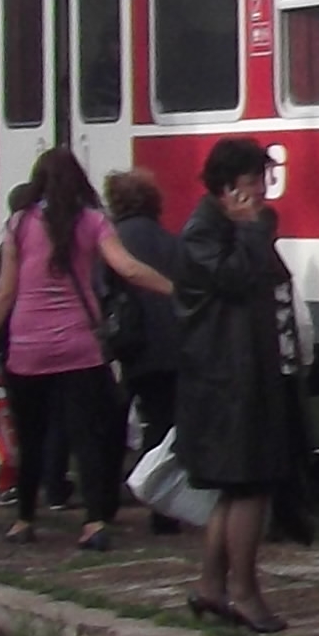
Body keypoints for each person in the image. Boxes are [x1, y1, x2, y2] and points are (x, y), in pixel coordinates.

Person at [0, 144, 175, 552]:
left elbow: (5, 292)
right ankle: (94, 522)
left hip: (28, 348)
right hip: (79, 348)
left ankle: (24, 519)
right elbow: (128, 268)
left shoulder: (18, 224)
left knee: (30, 436)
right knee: (87, 436)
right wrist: (176, 290)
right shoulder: (93, 222)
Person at [173, 136, 307, 634]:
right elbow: (235, 280)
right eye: (255, 181)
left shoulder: (224, 229)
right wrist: (253, 229)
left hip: (241, 374)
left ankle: (212, 587)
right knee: (249, 487)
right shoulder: (204, 235)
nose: (264, 191)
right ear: (229, 187)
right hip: (229, 380)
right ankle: (245, 594)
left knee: (235, 489)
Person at [101, 166, 185, 475]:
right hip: (170, 345)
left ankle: (107, 488)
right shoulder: (172, 240)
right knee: (161, 421)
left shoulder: (111, 241)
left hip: (126, 345)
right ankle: (156, 488)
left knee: (110, 421)